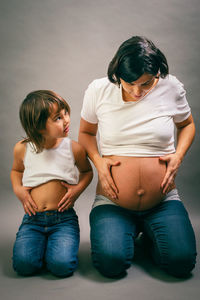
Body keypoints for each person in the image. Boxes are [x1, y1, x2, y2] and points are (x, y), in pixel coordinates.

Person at [78, 36, 197, 278]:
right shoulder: (98, 90)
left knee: (181, 263)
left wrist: (178, 157)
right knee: (111, 263)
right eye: (129, 83)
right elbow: (86, 132)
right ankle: (129, 231)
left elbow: (187, 125)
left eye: (146, 84)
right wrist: (99, 163)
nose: (137, 91)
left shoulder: (171, 86)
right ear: (117, 73)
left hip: (162, 201)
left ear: (157, 74)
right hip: (113, 202)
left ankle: (147, 232)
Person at [10, 90, 93, 277]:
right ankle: (40, 246)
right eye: (57, 118)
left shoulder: (74, 148)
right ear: (38, 127)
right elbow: (16, 171)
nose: (66, 120)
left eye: (66, 113)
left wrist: (77, 190)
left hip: (63, 219)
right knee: (23, 266)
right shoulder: (23, 148)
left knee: (62, 267)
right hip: (33, 219)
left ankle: (56, 248)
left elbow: (87, 172)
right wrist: (18, 190)